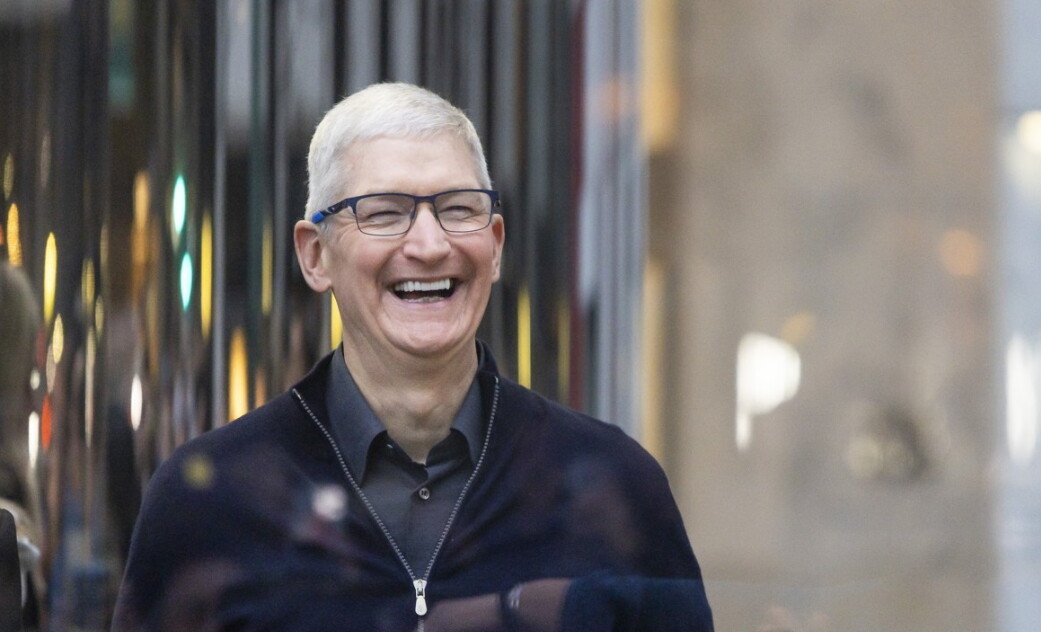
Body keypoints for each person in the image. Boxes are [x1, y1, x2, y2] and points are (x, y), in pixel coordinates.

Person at [113, 83, 712, 631]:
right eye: (384, 212)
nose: (429, 244)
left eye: (459, 209)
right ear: (315, 256)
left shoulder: (615, 484)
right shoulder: (208, 504)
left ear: (495, 246)